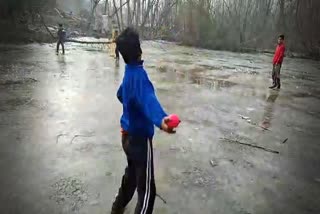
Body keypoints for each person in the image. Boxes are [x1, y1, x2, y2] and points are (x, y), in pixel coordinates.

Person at [111, 27, 176, 214]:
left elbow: (120, 94)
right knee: (147, 191)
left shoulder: (129, 72)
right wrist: (162, 120)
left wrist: (131, 105)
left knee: (131, 178)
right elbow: (149, 101)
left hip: (126, 137)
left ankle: (117, 208)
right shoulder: (140, 76)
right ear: (139, 51)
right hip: (140, 140)